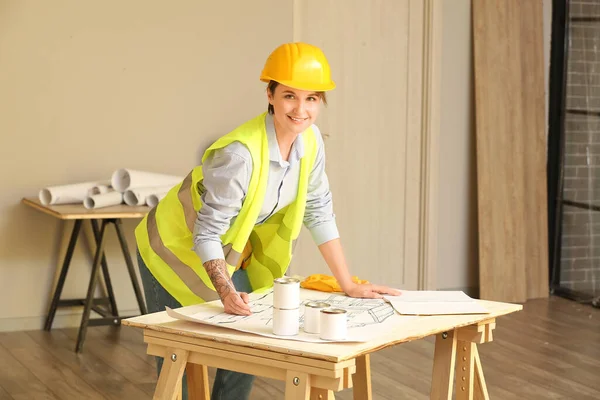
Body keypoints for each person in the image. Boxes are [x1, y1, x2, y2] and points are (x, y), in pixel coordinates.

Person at [135, 42, 400, 400]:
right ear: (270, 95)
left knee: (248, 336)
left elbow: (318, 209)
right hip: (168, 246)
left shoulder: (311, 143)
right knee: (178, 355)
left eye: (312, 99)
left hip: (223, 251)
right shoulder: (240, 154)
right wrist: (226, 291)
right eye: (290, 95)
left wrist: (348, 284)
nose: (300, 109)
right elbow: (208, 231)